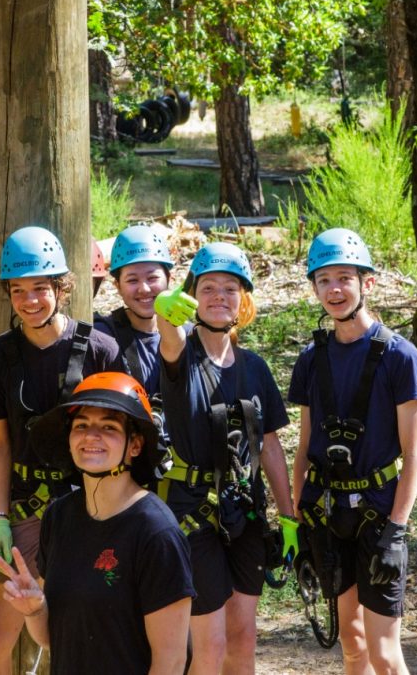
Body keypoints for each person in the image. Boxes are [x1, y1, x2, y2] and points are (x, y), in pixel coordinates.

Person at [0, 226, 122, 674]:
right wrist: (0, 517)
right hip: (28, 510)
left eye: (40, 287)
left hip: (92, 508)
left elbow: (124, 439)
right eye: (18, 290)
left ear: (61, 286)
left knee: (85, 633)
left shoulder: (100, 349)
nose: (30, 300)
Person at [153, 242, 298, 675]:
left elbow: (269, 444)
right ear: (192, 294)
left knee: (243, 639)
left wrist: (287, 517)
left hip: (245, 514)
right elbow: (168, 333)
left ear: (243, 300)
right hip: (193, 514)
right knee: (209, 647)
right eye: (208, 287)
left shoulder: (255, 367)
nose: (219, 295)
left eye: (230, 288)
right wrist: (164, 309)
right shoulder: (182, 352)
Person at [288, 228, 417, 675]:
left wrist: (396, 532)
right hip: (329, 515)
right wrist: (298, 517)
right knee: (352, 643)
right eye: (324, 279)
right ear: (314, 288)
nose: (334, 289)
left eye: (344, 278)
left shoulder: (399, 356)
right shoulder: (312, 358)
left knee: (384, 654)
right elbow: (305, 445)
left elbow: (414, 453)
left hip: (379, 515)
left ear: (367, 283)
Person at [0, 371, 194, 675]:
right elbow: (52, 639)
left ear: (135, 445)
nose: (91, 435)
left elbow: (171, 661)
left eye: (109, 426)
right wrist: (35, 609)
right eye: (82, 425)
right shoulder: (59, 516)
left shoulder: (156, 533)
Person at [94, 224, 177, 397]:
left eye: (152, 278)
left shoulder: (187, 335)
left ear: (169, 279)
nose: (144, 288)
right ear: (117, 286)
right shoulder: (102, 336)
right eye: (132, 280)